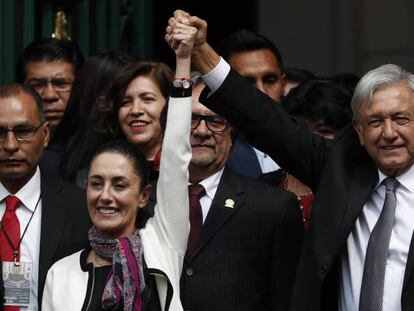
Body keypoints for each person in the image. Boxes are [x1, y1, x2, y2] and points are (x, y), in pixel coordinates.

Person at [168, 10, 414, 311]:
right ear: (359, 132)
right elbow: (268, 121)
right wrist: (203, 54)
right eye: (375, 122)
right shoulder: (341, 171)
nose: (389, 133)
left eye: (401, 119)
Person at [41, 20, 196, 311]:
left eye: (120, 184)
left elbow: (176, 156)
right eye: (96, 183)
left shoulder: (161, 245)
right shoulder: (60, 274)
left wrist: (184, 60)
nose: (105, 195)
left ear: (144, 196)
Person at [165, 39, 303, 309]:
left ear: (232, 133)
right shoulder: (145, 202)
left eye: (216, 121)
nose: (202, 131)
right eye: (191, 118)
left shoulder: (272, 207)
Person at [0, 84, 91, 310]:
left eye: (23, 132)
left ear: (45, 134)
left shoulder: (80, 207)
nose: (10, 145)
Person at [56, 50, 137, 184]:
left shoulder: (151, 157)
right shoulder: (51, 163)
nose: (135, 109)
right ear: (100, 101)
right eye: (125, 100)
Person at [216, 29, 284, 178]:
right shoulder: (214, 149)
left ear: (283, 84)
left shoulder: (305, 144)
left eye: (270, 80)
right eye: (246, 83)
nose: (261, 91)